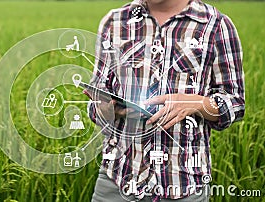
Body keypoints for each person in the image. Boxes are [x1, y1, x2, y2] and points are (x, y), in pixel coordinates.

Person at [86, 0, 245, 201]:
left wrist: (196, 103)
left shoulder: (215, 25)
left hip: (183, 184)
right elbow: (97, 98)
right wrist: (106, 109)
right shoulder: (115, 22)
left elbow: (235, 102)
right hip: (117, 181)